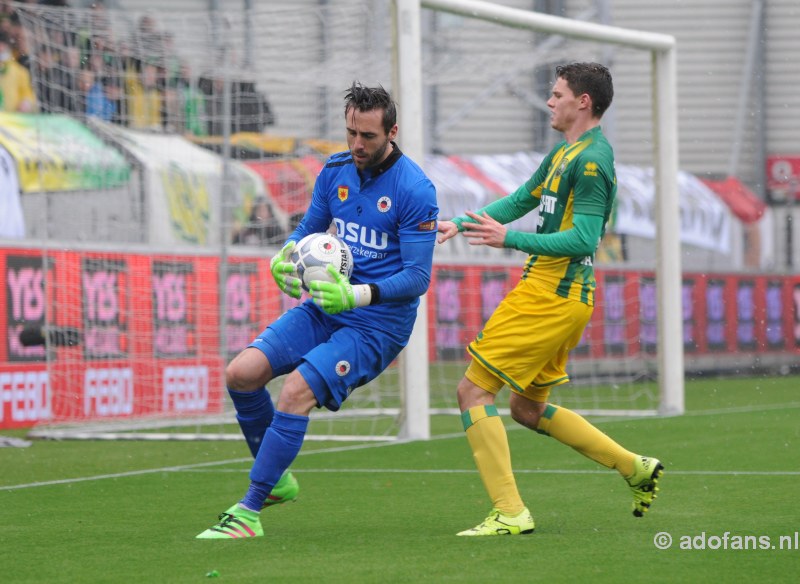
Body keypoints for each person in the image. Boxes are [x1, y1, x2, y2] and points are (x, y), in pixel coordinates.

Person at [197, 82, 439, 539]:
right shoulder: (336, 170)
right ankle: (279, 479)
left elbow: (417, 278)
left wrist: (357, 295)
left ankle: (249, 512)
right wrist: (283, 257)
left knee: (295, 392)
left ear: (392, 132)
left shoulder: (415, 189)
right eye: (350, 133)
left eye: (367, 136)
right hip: (326, 307)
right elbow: (309, 229)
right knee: (242, 374)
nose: (357, 145)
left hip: (377, 325)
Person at [437, 62, 663, 536]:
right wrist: (462, 223)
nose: (549, 101)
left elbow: (584, 239)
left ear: (583, 102)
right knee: (526, 409)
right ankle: (635, 468)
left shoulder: (593, 161)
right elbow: (521, 199)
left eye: (557, 93)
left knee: (472, 391)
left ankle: (510, 511)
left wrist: (510, 240)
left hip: (550, 295)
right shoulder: (567, 153)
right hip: (562, 296)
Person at [0, 30, 36, 112]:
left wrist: (26, 102)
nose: (0, 48)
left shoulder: (19, 71)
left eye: (3, 46)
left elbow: (27, 92)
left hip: (11, 119)